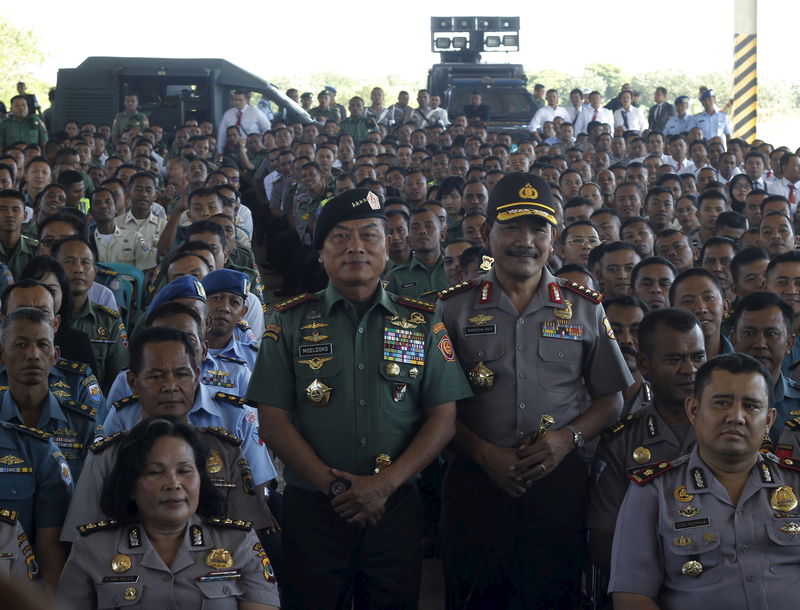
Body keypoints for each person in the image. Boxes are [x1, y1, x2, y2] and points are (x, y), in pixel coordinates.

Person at [248, 188, 472, 609]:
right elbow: (273, 421)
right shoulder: (288, 322)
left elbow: (443, 419)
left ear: (388, 246)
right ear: (320, 253)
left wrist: (383, 486)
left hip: (396, 505)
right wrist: (336, 488)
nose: (355, 247)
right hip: (314, 507)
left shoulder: (421, 321)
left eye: (369, 235)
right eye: (339, 237)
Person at [436, 172, 632, 609]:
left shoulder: (583, 307)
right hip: (475, 482)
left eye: (538, 228)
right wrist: (484, 453)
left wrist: (569, 439)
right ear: (487, 234)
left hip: (557, 485)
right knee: (472, 595)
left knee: (551, 595)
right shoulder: (451, 308)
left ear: (554, 237)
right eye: (511, 227)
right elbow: (435, 406)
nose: (525, 240)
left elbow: (611, 399)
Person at [609, 352, 797, 610]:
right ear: (694, 410)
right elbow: (631, 596)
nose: (736, 417)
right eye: (721, 403)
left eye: (751, 406)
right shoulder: (652, 491)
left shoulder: (795, 483)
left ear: (769, 420)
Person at [58, 416, 280, 609]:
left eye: (184, 471)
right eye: (155, 472)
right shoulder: (92, 549)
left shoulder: (239, 543)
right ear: (131, 485)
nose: (173, 483)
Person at [588, 308, 705, 574]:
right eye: (675, 359)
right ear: (644, 364)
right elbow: (602, 540)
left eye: (698, 357)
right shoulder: (622, 441)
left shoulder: (731, 429)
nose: (690, 370)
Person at [0, 307, 96, 480]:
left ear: (56, 356)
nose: (33, 355)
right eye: (21, 344)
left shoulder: (83, 425)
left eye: (43, 345)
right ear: (2, 355)